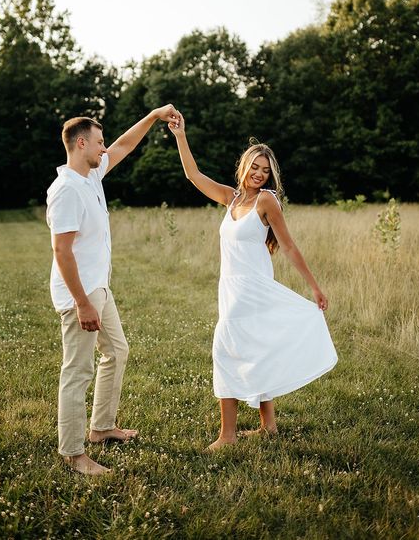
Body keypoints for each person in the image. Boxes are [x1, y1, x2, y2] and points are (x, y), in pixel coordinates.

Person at [169, 115, 338, 451]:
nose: (259, 174)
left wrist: (315, 287)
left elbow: (287, 245)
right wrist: (180, 136)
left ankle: (227, 435)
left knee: (226, 350)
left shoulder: (266, 201)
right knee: (254, 351)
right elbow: (193, 175)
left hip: (253, 289)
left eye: (265, 169)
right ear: (244, 166)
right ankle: (268, 426)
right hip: (231, 288)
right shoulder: (231, 198)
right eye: (255, 167)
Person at [46, 106, 179, 475]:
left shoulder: (90, 177)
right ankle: (74, 454)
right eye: (99, 143)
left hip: (98, 288)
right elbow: (62, 251)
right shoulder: (66, 190)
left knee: (117, 351)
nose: (105, 149)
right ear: (81, 142)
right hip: (81, 296)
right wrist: (82, 303)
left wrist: (153, 117)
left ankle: (101, 428)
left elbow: (123, 145)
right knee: (77, 371)